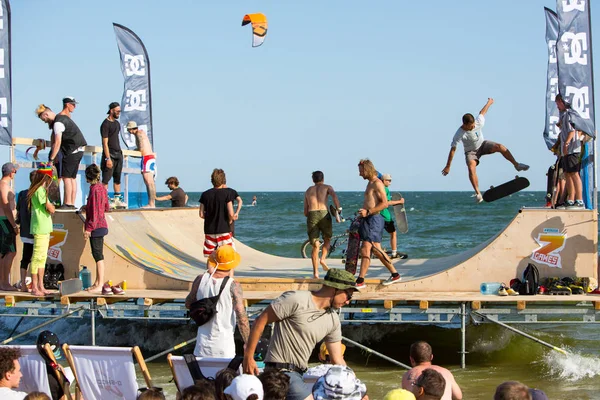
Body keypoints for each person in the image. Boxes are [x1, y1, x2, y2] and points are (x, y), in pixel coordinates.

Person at [243, 268, 357, 400]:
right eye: (348, 295)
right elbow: (260, 321)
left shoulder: (333, 320)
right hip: (278, 372)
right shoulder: (296, 299)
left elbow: (337, 360)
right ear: (335, 289)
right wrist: (248, 357)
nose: (348, 301)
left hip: (298, 375)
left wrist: (356, 386)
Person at [441, 98, 529, 203]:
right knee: (471, 167)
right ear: (464, 124)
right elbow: (453, 150)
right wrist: (448, 166)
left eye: (473, 124)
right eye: (471, 126)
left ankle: (516, 165)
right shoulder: (459, 134)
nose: (473, 126)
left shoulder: (478, 122)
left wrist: (489, 103)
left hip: (483, 145)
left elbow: (482, 112)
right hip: (471, 152)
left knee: (500, 146)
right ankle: (478, 193)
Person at [185, 245, 249, 357]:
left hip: (201, 347)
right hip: (224, 347)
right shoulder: (233, 285)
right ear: (233, 264)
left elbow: (188, 304)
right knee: (224, 375)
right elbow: (240, 314)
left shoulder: (200, 279)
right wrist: (248, 342)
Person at [355, 159, 402, 289]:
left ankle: (362, 280)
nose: (359, 174)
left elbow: (385, 203)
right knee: (370, 249)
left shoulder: (377, 184)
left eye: (361, 171)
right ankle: (361, 280)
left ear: (367, 169)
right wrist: (363, 213)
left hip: (374, 219)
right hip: (368, 219)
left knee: (371, 249)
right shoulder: (370, 183)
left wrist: (368, 211)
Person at [81, 164, 122, 295]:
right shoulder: (101, 188)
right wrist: (86, 207)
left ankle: (99, 284)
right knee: (97, 254)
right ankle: (97, 282)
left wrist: (88, 228)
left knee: (98, 255)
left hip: (97, 227)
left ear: (88, 177)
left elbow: (96, 212)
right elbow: (105, 207)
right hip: (101, 225)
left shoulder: (94, 190)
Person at [36, 103, 87, 209]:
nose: (45, 122)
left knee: (66, 178)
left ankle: (67, 203)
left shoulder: (58, 123)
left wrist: (51, 159)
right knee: (72, 178)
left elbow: (57, 142)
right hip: (79, 149)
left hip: (72, 150)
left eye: (43, 119)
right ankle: (71, 203)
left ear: (46, 114)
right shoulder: (63, 118)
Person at [304, 171, 341, 278]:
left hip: (312, 214)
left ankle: (315, 273)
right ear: (323, 179)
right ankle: (323, 259)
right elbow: (334, 197)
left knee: (315, 245)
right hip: (324, 213)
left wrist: (311, 217)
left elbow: (305, 211)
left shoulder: (308, 190)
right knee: (327, 239)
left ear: (313, 180)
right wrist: (338, 210)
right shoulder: (327, 187)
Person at [27, 165, 55, 297]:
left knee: (42, 258)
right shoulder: (40, 190)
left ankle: (41, 285)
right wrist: (52, 206)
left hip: (43, 227)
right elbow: (50, 208)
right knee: (37, 257)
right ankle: (35, 286)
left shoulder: (39, 190)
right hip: (40, 227)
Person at [554, 94, 585, 209]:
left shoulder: (570, 114)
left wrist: (566, 143)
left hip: (572, 149)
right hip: (566, 150)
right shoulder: (563, 115)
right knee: (567, 173)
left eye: (558, 103)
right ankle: (570, 199)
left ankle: (579, 199)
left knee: (574, 173)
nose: (557, 106)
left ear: (562, 102)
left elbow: (572, 131)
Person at [199, 169, 235, 257]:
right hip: (223, 229)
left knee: (210, 256)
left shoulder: (205, 194)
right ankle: (227, 271)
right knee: (228, 256)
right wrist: (230, 220)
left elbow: (201, 214)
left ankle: (210, 271)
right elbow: (231, 213)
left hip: (209, 230)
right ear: (223, 180)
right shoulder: (227, 194)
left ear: (212, 180)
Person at [126, 121, 156, 208]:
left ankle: (151, 203)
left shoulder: (138, 134)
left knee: (148, 182)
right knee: (151, 182)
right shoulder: (142, 133)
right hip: (150, 157)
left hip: (146, 158)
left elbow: (141, 149)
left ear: (131, 129)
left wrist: (132, 153)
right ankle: (152, 202)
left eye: (128, 130)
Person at [100, 102, 125, 207]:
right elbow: (104, 143)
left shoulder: (117, 124)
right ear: (111, 111)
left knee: (117, 178)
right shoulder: (105, 124)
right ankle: (104, 200)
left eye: (120, 111)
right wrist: (108, 158)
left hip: (118, 153)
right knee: (106, 179)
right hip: (110, 154)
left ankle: (117, 199)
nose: (119, 113)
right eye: (117, 111)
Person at [16, 171, 36, 292]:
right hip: (35, 231)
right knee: (36, 259)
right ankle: (35, 284)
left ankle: (23, 284)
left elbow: (18, 211)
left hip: (25, 231)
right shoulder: (37, 194)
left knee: (25, 258)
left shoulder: (22, 194)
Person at [0, 162, 18, 291]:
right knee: (10, 252)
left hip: (5, 220)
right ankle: (4, 282)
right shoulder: (3, 186)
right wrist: (13, 224)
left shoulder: (4, 185)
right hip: (5, 221)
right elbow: (6, 206)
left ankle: (3, 282)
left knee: (4, 252)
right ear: (11, 172)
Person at [380, 173, 404, 258]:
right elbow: (387, 203)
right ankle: (394, 253)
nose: (390, 182)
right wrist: (399, 202)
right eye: (389, 181)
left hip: (376, 215)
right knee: (393, 233)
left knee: (378, 235)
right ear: (383, 181)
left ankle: (378, 251)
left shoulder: (376, 188)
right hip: (385, 216)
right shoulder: (385, 189)